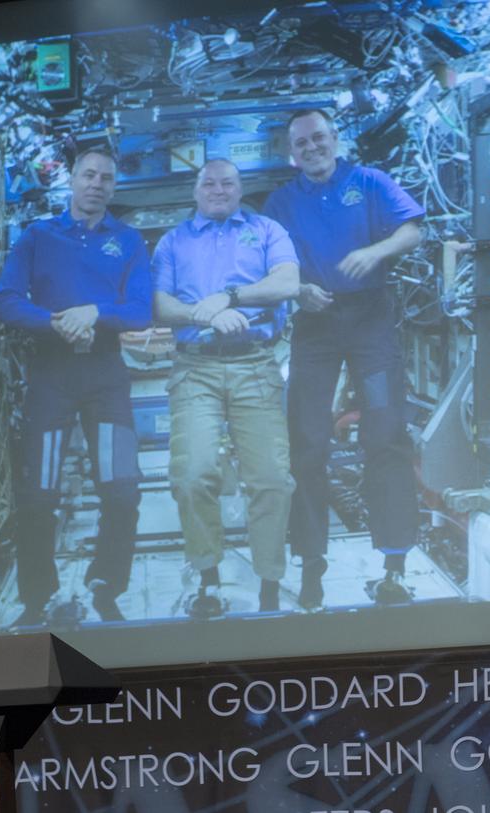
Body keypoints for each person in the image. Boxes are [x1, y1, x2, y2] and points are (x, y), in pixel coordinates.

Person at [263, 108, 423, 610]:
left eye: (318, 138)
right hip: (315, 326)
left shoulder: (370, 182)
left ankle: (394, 565)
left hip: (370, 321)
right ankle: (312, 564)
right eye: (301, 143)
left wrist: (376, 252)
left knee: (386, 432)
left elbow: (412, 230)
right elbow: (272, 263)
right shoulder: (282, 201)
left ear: (335, 137)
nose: (311, 148)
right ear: (292, 153)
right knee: (307, 441)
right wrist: (299, 290)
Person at [0, 147, 151, 625]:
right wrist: (54, 322)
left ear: (113, 187)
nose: (96, 183)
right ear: (73, 181)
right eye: (88, 175)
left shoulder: (128, 242)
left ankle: (107, 586)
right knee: (38, 494)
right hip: (51, 377)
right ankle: (37, 598)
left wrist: (95, 313)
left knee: (122, 489)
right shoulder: (38, 236)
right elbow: (4, 302)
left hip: (106, 376)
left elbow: (140, 310)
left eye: (106, 177)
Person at [152, 158, 300, 618]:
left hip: (255, 364)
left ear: (240, 190)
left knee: (272, 479)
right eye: (209, 183)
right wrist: (207, 314)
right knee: (193, 474)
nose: (218, 189)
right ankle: (208, 576)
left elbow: (287, 282)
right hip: (195, 369)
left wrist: (232, 297)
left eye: (228, 183)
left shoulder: (267, 231)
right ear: (196, 192)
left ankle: (270, 581)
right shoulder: (173, 241)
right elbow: (159, 303)